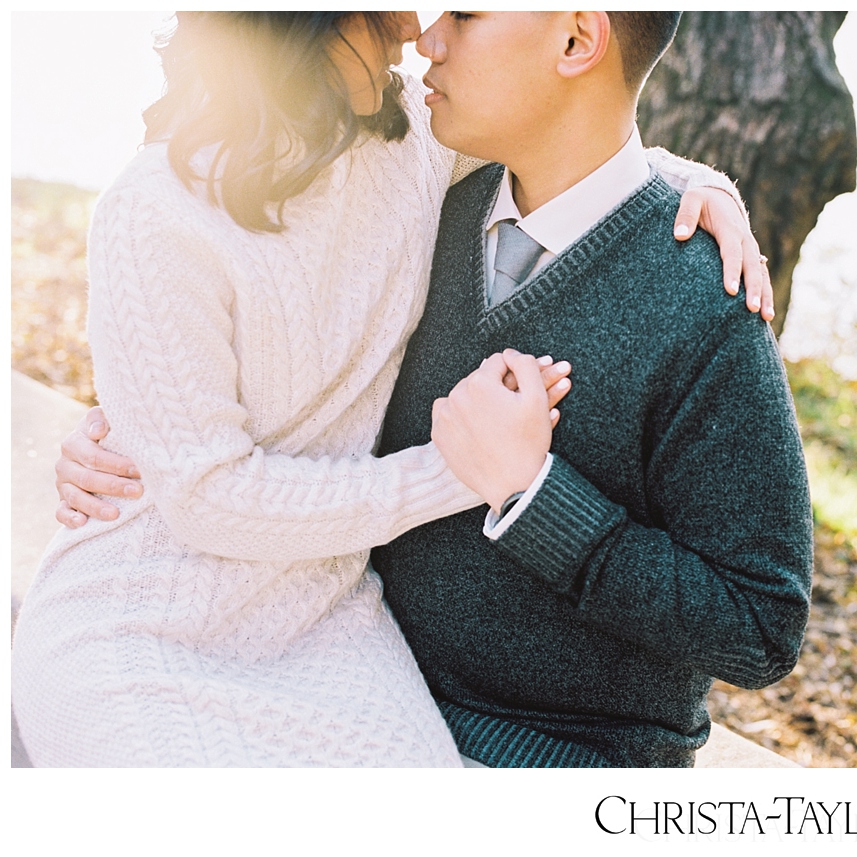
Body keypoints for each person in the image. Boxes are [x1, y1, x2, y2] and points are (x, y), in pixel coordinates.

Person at [16, 11, 763, 767]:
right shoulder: (154, 209)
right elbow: (207, 493)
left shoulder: (411, 137)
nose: (415, 29)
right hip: (138, 620)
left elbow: (575, 138)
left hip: (328, 624)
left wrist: (699, 186)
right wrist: (463, 469)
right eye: (380, 14)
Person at [371, 11, 814, 767]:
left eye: (467, 15)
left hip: (551, 762)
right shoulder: (422, 214)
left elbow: (760, 625)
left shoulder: (703, 306)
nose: (427, 38)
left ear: (576, 39)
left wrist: (532, 494)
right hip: (357, 692)